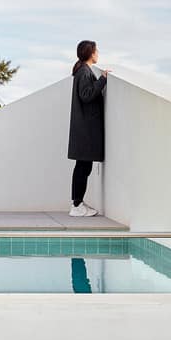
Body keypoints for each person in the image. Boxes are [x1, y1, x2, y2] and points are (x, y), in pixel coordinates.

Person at [67, 40, 110, 216]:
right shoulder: (84, 72)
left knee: (83, 167)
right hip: (85, 129)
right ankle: (77, 206)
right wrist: (102, 80)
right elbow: (86, 95)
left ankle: (77, 204)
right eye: (96, 50)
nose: (98, 53)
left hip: (84, 128)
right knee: (83, 168)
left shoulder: (82, 71)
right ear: (90, 53)